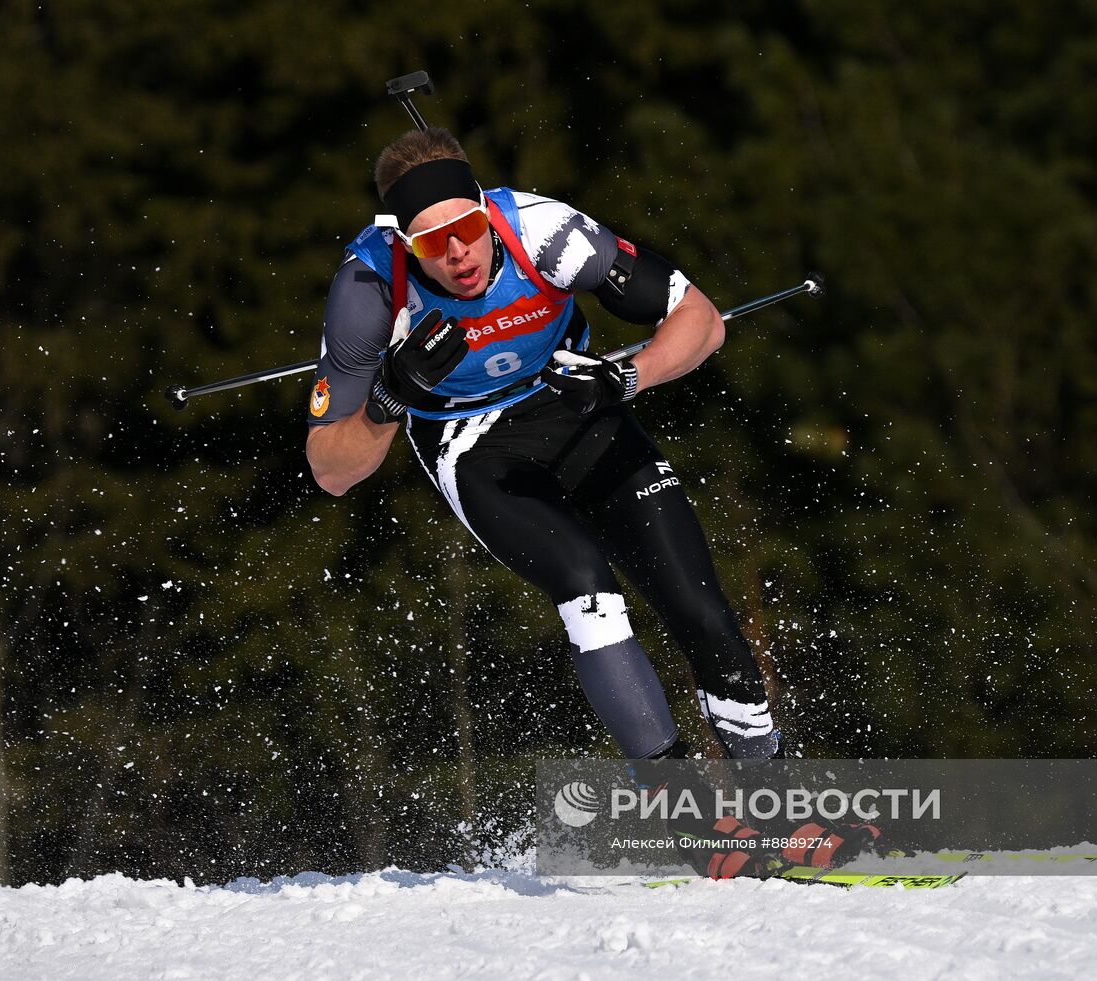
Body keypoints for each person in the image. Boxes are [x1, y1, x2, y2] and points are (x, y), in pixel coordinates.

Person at [305, 127, 874, 875]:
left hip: (577, 401)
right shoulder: (368, 289)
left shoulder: (545, 231)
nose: (460, 255)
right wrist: (388, 397)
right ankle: (694, 828)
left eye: (469, 229)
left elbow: (700, 322)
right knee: (587, 587)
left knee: (699, 607)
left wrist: (628, 377)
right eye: (434, 242)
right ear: (406, 244)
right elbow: (331, 469)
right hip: (473, 446)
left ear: (486, 211)